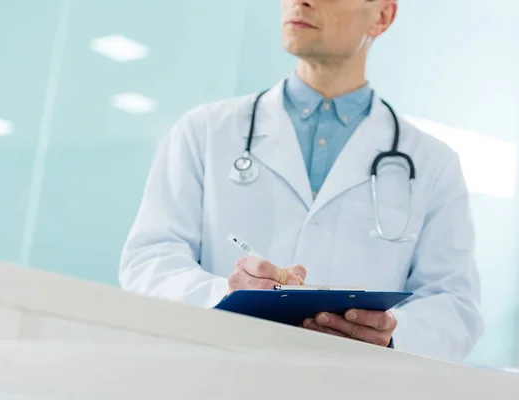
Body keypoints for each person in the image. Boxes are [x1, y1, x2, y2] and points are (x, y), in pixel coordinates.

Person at [119, 0, 482, 362]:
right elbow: (150, 261)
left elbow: (454, 304)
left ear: (382, 16)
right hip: (219, 374)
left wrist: (389, 333)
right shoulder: (205, 130)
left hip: (353, 383)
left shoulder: (434, 163)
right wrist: (226, 295)